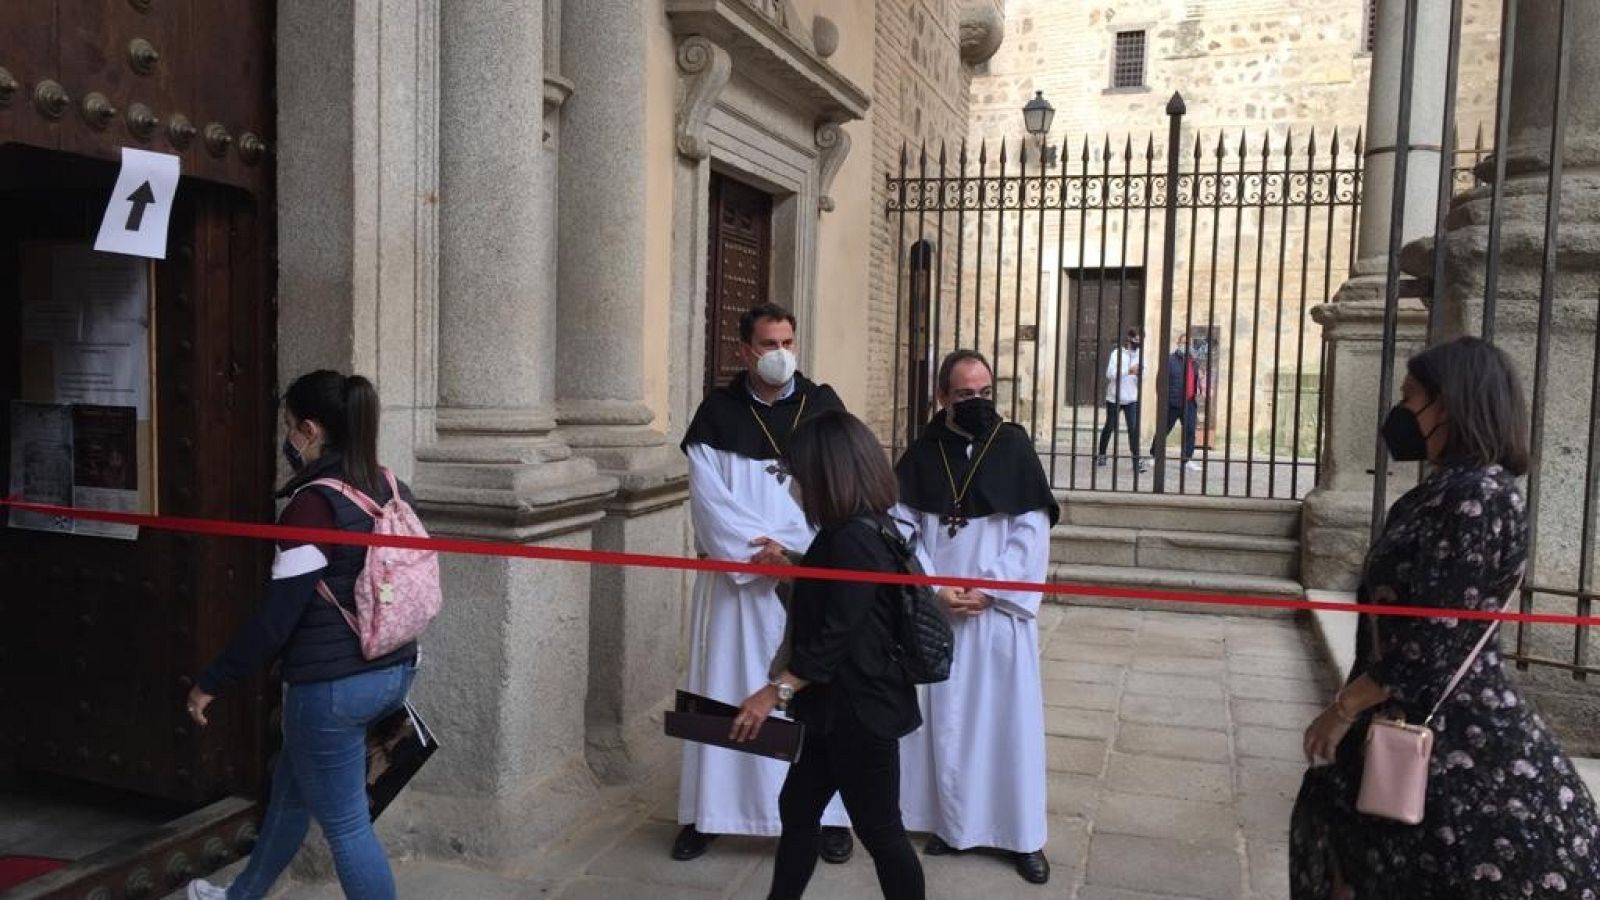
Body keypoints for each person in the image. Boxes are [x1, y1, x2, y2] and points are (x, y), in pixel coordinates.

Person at [1289, 337, 1600, 899]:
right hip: (1406, 713)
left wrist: (1342, 709)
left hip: (1449, 734)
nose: (1401, 410)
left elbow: (1432, 640)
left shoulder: (1476, 496)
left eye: (1411, 397)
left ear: (1449, 406)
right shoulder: (1450, 491)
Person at [184, 371, 419, 900]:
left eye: (289, 426)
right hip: (391, 669)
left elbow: (276, 617)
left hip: (331, 688)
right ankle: (240, 897)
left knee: (348, 827)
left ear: (310, 431)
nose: (287, 438)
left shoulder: (313, 505)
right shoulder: (389, 485)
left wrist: (212, 680)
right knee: (290, 791)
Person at [675, 302, 854, 863]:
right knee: (725, 686)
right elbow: (709, 503)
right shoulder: (716, 414)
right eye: (769, 344)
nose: (781, 355)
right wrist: (759, 553)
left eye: (788, 342)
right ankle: (712, 813)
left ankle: (826, 816)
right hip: (737, 585)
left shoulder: (822, 408)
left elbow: (840, 486)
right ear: (743, 351)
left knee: (812, 695)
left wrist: (797, 552)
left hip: (807, 581)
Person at [732, 409, 926, 900]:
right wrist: (790, 569)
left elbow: (837, 632)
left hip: (860, 712)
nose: (795, 487)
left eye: (799, 476)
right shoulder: (851, 532)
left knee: (882, 833)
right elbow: (837, 601)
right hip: (832, 707)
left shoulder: (855, 538)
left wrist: (772, 694)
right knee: (798, 810)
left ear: (826, 473)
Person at [892, 350, 1058, 885]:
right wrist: (935, 589)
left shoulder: (1013, 446)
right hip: (940, 614)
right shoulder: (922, 453)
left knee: (1005, 729)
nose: (979, 402)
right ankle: (949, 823)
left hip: (997, 616)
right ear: (942, 397)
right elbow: (902, 530)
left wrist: (989, 588)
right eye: (966, 394)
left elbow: (1031, 530)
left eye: (985, 392)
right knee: (943, 726)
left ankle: (1020, 838)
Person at [1097, 327, 1148, 473]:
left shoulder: (1141, 356)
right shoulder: (1117, 354)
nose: (1138, 342)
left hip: (1131, 398)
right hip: (1114, 398)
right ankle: (1101, 454)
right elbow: (1110, 374)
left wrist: (1140, 374)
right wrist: (1128, 371)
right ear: (1129, 338)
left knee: (1133, 429)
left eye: (1141, 339)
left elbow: (1144, 378)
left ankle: (1136, 460)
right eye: (1136, 338)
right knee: (1110, 426)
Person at [1149, 333, 1201, 472]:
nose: (1186, 346)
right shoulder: (1170, 360)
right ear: (1178, 344)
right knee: (1164, 430)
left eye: (1189, 344)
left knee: (1190, 431)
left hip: (1189, 402)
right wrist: (1163, 401)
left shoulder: (1194, 362)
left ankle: (1187, 459)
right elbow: (1160, 382)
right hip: (1172, 403)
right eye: (1184, 343)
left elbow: (1195, 381)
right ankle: (1154, 455)